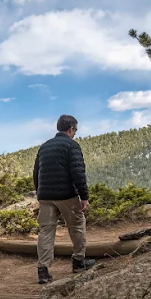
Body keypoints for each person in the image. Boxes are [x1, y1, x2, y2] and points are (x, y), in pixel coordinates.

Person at [33, 114, 95, 284]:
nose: (75, 133)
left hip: (46, 196)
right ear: (70, 129)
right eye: (75, 130)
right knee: (76, 226)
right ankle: (78, 261)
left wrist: (40, 192)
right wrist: (84, 197)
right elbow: (78, 173)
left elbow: (36, 172)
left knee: (46, 231)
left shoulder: (44, 147)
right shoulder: (72, 146)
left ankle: (43, 271)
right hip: (66, 194)